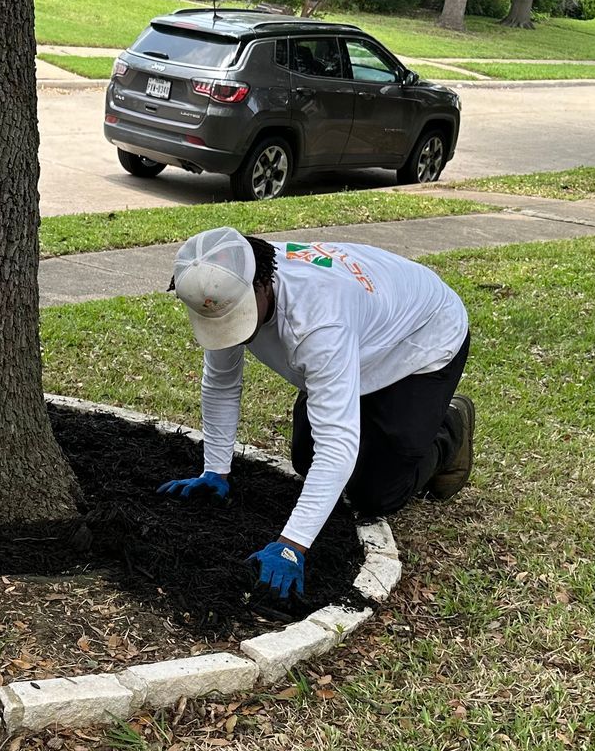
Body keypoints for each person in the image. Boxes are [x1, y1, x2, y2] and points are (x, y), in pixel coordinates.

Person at [158, 227, 473, 600]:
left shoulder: (318, 319)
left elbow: (338, 444)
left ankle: (451, 429)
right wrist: (215, 469)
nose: (229, 329)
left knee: (376, 495)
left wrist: (292, 545)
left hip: (420, 339)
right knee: (307, 462)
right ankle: (358, 406)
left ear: (262, 283)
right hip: (355, 335)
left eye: (236, 315)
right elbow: (222, 384)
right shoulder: (223, 278)